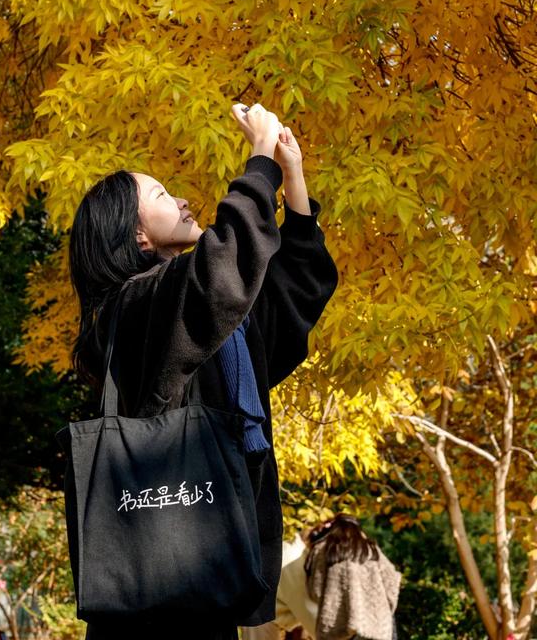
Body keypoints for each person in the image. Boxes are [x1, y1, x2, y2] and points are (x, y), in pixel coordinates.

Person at [68, 102, 339, 640]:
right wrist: (257, 159)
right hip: (161, 568)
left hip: (206, 549)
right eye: (162, 196)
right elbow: (224, 267)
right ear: (137, 236)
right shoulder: (137, 307)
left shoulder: (198, 314)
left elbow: (288, 300)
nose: (184, 199)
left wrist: (293, 177)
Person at [304, 515, 401, 640]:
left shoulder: (322, 549)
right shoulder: (371, 549)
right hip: (377, 628)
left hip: (337, 630)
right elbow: (392, 581)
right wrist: (383, 608)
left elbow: (315, 591)